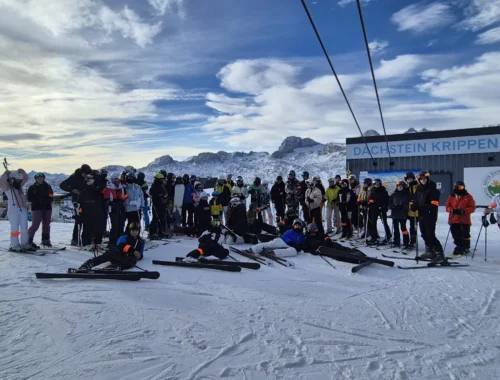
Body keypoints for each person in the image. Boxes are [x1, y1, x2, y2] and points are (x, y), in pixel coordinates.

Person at [78, 222, 144, 270]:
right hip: (117, 253)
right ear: (129, 230)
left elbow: (140, 253)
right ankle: (88, 264)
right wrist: (133, 251)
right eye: (132, 230)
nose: (134, 232)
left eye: (136, 230)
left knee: (132, 261)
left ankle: (115, 267)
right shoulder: (124, 237)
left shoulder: (141, 241)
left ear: (138, 231)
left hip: (126, 258)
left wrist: (140, 256)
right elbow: (121, 246)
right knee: (104, 257)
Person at [411, 171, 444, 261]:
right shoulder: (419, 188)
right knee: (424, 234)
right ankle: (429, 251)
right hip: (421, 215)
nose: (423, 180)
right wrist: (414, 205)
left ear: (427, 179)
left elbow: (434, 204)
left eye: (424, 179)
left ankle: (439, 252)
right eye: (421, 179)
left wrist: (421, 206)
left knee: (430, 235)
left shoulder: (432, 189)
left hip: (430, 215)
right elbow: (416, 199)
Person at [60, 164, 92, 245]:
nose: (86, 175)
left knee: (87, 220)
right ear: (82, 172)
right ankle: (75, 239)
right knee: (78, 220)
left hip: (86, 201)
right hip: (77, 201)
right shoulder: (74, 177)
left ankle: (85, 238)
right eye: (85, 173)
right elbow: (62, 185)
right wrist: (72, 190)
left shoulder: (87, 178)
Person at [0, 168, 30, 251]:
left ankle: (24, 243)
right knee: (15, 228)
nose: (19, 181)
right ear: (12, 179)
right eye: (17, 179)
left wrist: (22, 171)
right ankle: (14, 245)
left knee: (24, 228)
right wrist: (5, 174)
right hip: (13, 210)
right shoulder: (7, 188)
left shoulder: (20, 186)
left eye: (19, 180)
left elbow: (26, 178)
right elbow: (1, 182)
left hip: (22, 208)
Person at [445, 181, 476, 255]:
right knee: (455, 233)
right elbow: (447, 207)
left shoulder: (468, 197)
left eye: (461, 187)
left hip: (464, 219)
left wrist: (464, 211)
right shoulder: (451, 196)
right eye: (458, 187)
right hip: (453, 219)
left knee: (465, 234)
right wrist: (452, 210)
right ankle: (458, 245)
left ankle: (465, 247)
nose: (460, 189)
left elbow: (473, 207)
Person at [79, 173, 106, 248]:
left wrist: (103, 213)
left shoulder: (97, 192)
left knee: (98, 229)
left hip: (97, 213)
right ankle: (86, 243)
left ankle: (97, 242)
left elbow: (102, 201)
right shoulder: (83, 193)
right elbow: (80, 205)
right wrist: (80, 214)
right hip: (87, 214)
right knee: (87, 229)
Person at [27, 172, 54, 248]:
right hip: (36, 208)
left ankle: (46, 239)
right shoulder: (32, 187)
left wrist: (47, 200)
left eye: (41, 178)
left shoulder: (48, 187)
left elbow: (51, 195)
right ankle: (29, 239)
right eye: (38, 178)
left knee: (46, 224)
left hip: (47, 207)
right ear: (36, 179)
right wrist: (38, 200)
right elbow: (29, 198)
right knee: (35, 224)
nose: (40, 179)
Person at [103, 173, 126, 247]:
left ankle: (121, 241)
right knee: (115, 225)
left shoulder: (121, 187)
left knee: (121, 225)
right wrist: (112, 203)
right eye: (116, 179)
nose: (118, 181)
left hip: (121, 208)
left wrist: (122, 201)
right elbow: (106, 199)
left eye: (118, 179)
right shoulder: (109, 188)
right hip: (113, 209)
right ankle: (113, 242)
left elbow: (124, 196)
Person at [367, 179, 391, 245]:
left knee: (384, 223)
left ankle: (388, 236)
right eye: (375, 184)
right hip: (374, 209)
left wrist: (384, 206)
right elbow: (370, 199)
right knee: (373, 223)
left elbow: (387, 200)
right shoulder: (372, 191)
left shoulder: (383, 191)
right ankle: (374, 237)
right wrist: (370, 203)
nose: (376, 185)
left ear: (380, 184)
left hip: (382, 209)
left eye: (377, 184)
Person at [389, 181, 410, 249]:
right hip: (395, 214)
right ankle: (396, 241)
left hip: (402, 214)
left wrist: (402, 207)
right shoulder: (393, 195)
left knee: (403, 228)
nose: (400, 188)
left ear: (403, 187)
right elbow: (389, 203)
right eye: (398, 186)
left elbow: (407, 205)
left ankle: (406, 242)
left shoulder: (406, 195)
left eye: (401, 187)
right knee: (396, 228)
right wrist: (392, 206)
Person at [149, 172, 168, 239]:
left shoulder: (161, 186)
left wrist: (164, 196)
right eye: (162, 179)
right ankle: (152, 233)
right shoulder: (154, 186)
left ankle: (161, 232)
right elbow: (154, 195)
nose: (163, 180)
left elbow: (164, 194)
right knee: (155, 219)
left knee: (162, 218)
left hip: (162, 205)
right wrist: (161, 196)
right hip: (156, 205)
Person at [405, 172, 418, 248]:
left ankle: (429, 243)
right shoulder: (407, 188)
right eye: (408, 179)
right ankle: (412, 241)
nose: (409, 180)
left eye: (410, 179)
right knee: (412, 227)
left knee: (424, 228)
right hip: (411, 210)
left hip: (419, 210)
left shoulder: (418, 186)